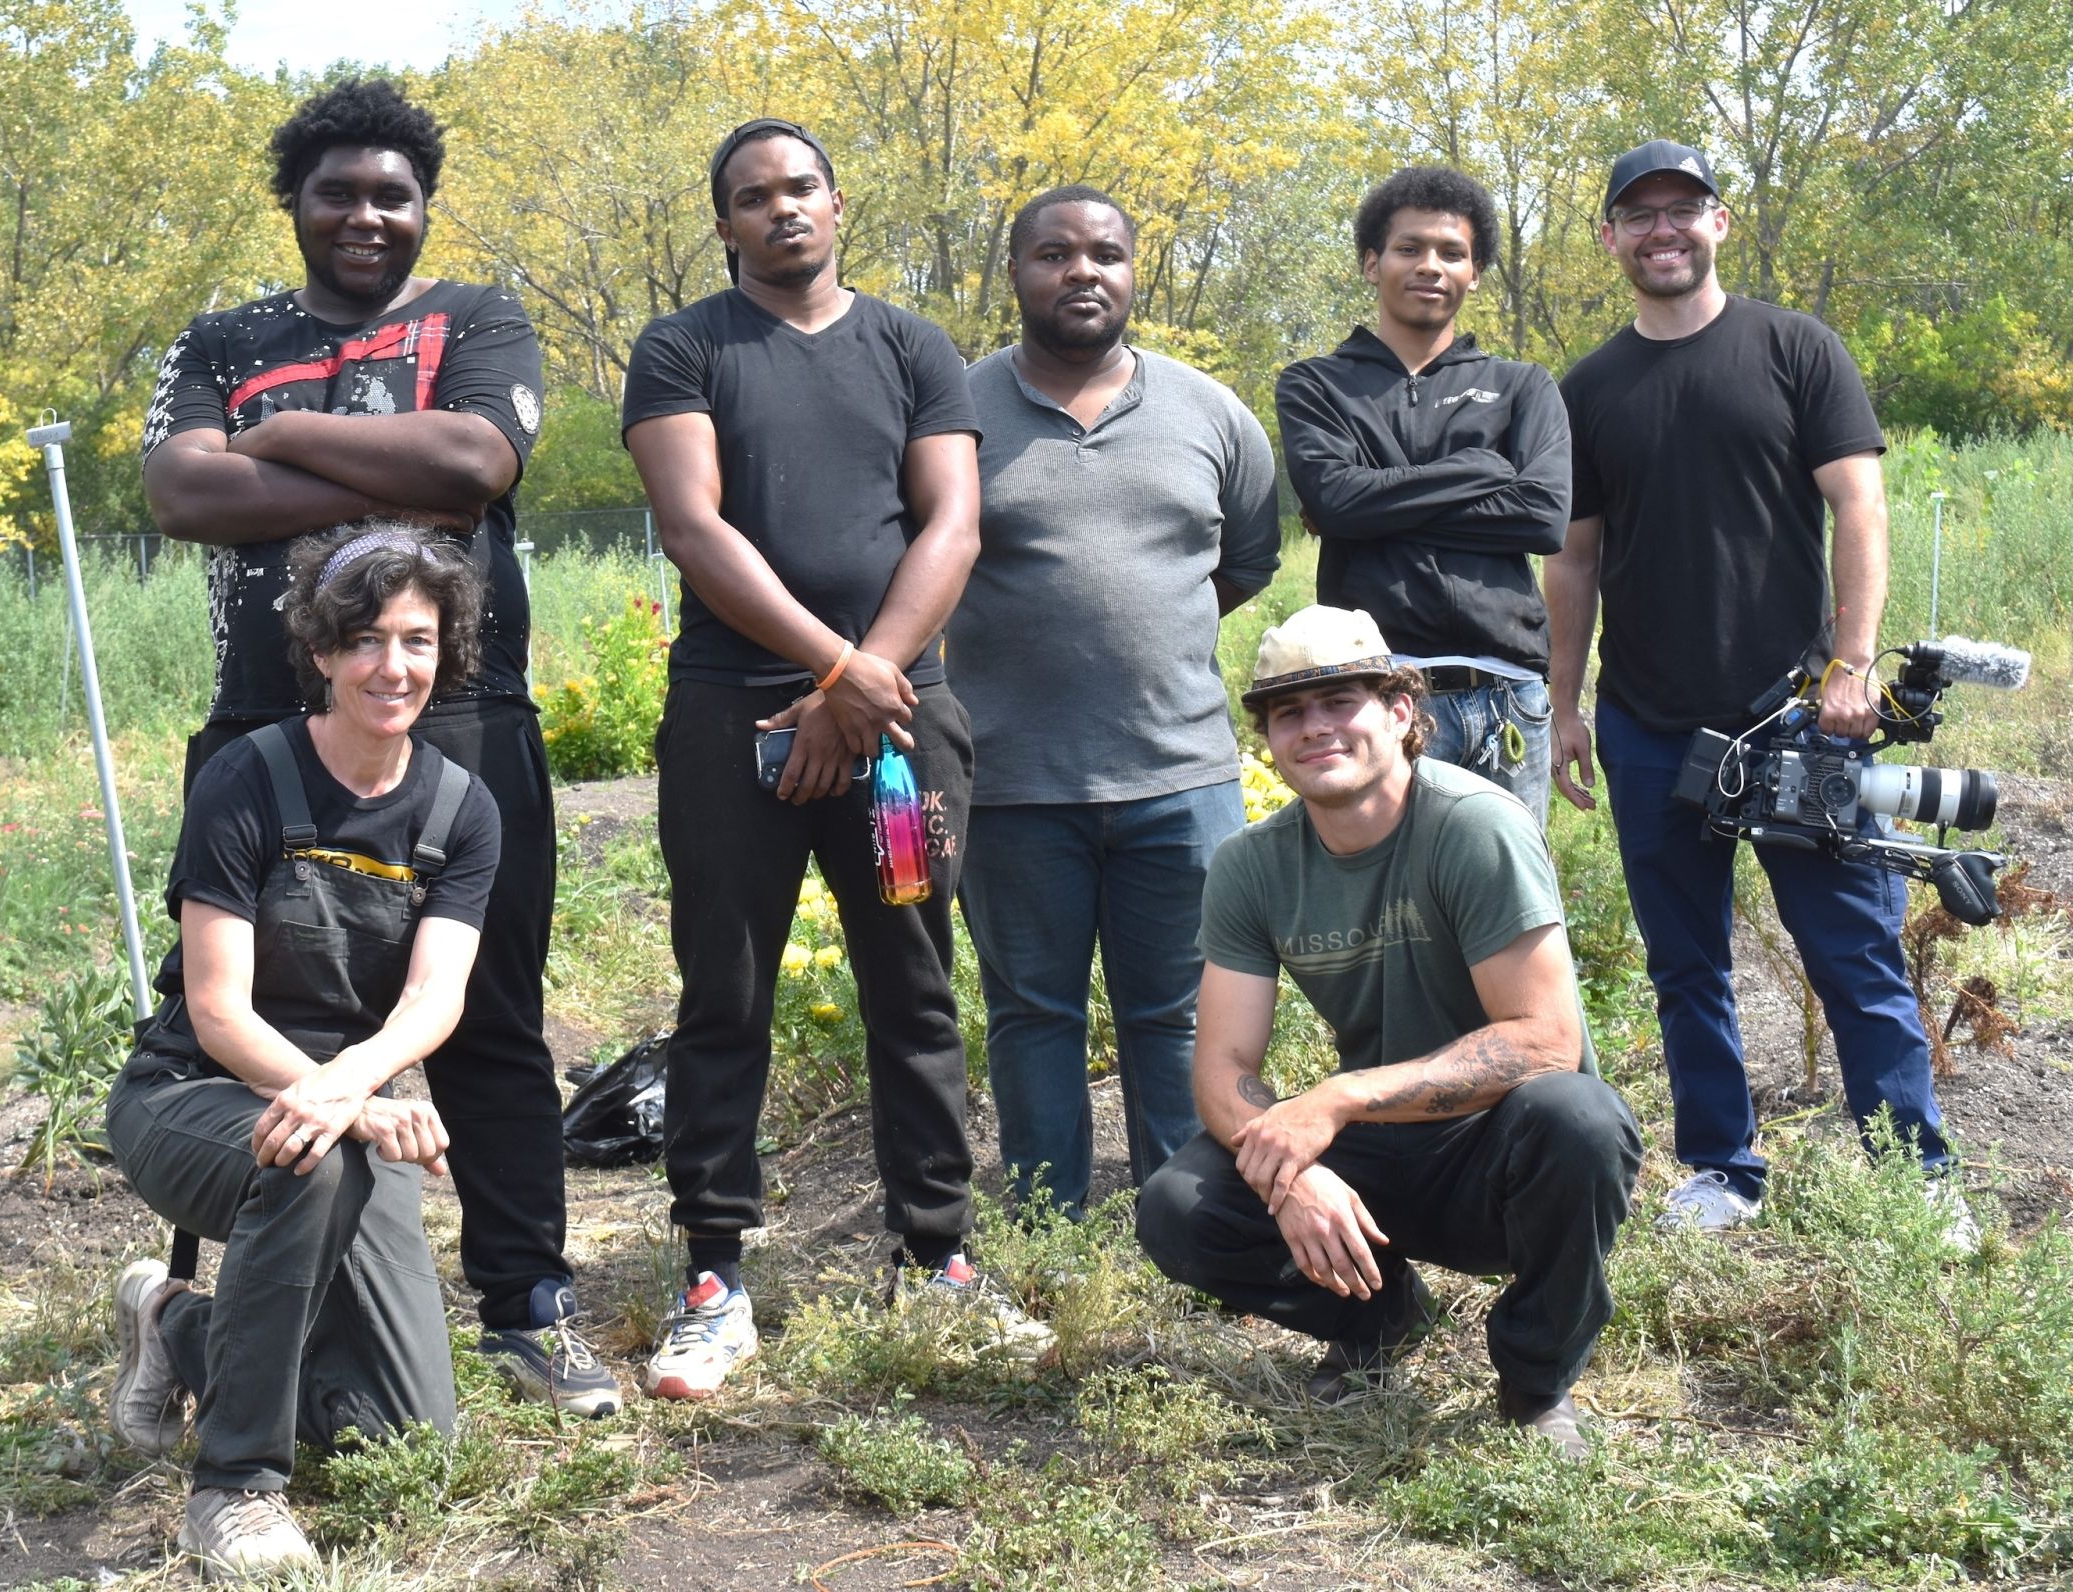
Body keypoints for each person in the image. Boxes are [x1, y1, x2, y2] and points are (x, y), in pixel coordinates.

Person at [139, 79, 618, 1414]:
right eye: (338, 191)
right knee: (234, 1017)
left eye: (392, 195)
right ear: (293, 201)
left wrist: (282, 440)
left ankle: (530, 1304)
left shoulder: (476, 318)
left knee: (492, 1020)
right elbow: (183, 489)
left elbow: (473, 461)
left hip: (461, 716)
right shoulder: (225, 334)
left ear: (425, 210)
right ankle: (208, 1312)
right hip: (263, 724)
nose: (366, 215)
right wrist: (390, 469)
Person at [622, 117, 1046, 1401]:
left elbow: (954, 523)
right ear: (727, 224)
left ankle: (937, 1259)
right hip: (727, 726)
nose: (782, 210)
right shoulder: (685, 347)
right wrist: (834, 670)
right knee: (725, 993)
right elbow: (693, 528)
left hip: (903, 737)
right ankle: (713, 1275)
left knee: (912, 986)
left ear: (839, 198)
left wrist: (868, 687)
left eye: (801, 186)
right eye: (753, 197)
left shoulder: (912, 347)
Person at [1546, 139, 1965, 1238]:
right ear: (1610, 240)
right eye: (1639, 216)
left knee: (1857, 958)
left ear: (1720, 221)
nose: (1662, 230)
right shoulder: (1586, 388)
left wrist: (1853, 663)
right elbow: (1574, 559)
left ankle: (1914, 1176)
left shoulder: (1796, 348)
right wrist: (1563, 703)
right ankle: (1723, 1168)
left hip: (1799, 718)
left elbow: (1859, 513)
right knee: (1688, 965)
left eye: (1683, 208)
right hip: (1645, 724)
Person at [1136, 606, 1642, 1460]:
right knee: (1178, 1206)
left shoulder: (1470, 825)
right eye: (1290, 713)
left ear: (1401, 712)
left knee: (1581, 1120)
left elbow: (1547, 1041)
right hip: (1382, 1148)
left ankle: (1536, 1381)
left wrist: (1335, 1098)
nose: (1316, 728)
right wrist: (1292, 1176)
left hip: (1501, 1153)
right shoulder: (1253, 866)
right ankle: (1378, 1314)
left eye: (1340, 700)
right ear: (1266, 738)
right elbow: (1222, 1068)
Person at [105, 526, 495, 1580]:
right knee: (313, 1157)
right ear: (321, 650)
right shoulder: (247, 777)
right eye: (365, 639)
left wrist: (352, 1086)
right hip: (193, 1092)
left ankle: (175, 1322)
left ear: (446, 649)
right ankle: (234, 1488)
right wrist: (355, 1105)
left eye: (418, 639)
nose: (393, 666)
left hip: (340, 1108)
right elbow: (218, 1007)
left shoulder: (462, 809)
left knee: (402, 1432)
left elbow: (433, 995)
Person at [952, 184, 1281, 1217]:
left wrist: (1139, 634)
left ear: (1135, 272)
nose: (1081, 271)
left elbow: (1245, 560)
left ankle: (1185, 1209)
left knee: (1179, 1009)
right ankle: (1050, 1214)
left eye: (1105, 254)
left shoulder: (1211, 411)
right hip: (1011, 780)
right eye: (1053, 254)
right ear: (1015, 272)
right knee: (1030, 1009)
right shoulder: (954, 413)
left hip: (1178, 773)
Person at [1275, 166, 1570, 830]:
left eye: (1452, 253)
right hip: (1373, 693)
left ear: (1476, 272)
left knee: (1507, 912)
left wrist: (1375, 504)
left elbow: (1543, 516)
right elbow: (1340, 501)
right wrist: (1481, 467)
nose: (1430, 266)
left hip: (1505, 696)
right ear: (1372, 262)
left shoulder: (1522, 386)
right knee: (1385, 915)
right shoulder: (1316, 386)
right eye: (1410, 248)